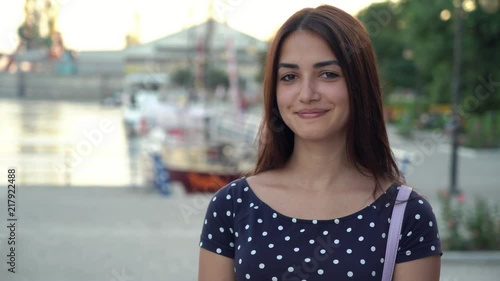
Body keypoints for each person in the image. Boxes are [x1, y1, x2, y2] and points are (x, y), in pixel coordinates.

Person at [198, 5, 442, 281]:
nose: (306, 94)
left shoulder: (407, 214)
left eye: (328, 74)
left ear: (359, 83)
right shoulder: (232, 205)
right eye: (289, 77)